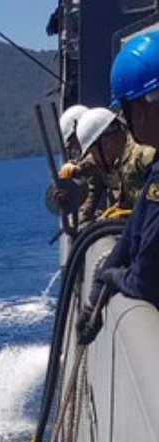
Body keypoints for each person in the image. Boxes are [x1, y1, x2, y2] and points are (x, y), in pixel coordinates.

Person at [78, 31, 159, 343]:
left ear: (138, 109)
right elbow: (137, 228)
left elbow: (146, 278)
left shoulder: (147, 162)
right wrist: (103, 281)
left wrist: (113, 277)